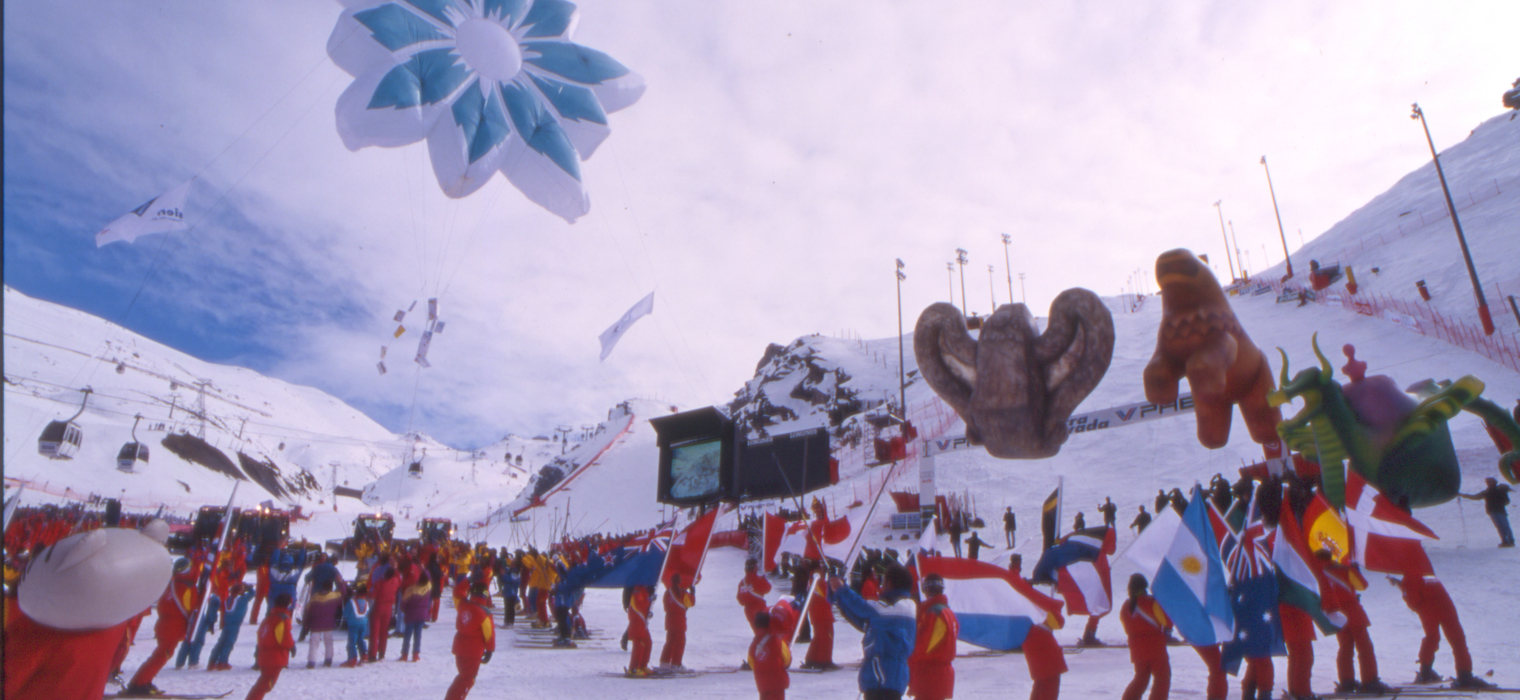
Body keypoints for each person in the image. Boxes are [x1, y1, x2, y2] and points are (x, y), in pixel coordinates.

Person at [829, 564, 915, 700]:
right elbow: (865, 622)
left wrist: (841, 590)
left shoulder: (888, 608)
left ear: (890, 583)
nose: (880, 586)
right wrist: (839, 600)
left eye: (883, 581)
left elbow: (861, 607)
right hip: (894, 677)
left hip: (880, 677)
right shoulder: (909, 608)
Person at [1390, 575, 1492, 689]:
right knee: (1457, 639)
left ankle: (1425, 672)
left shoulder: (1408, 579)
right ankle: (1465, 675)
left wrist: (1401, 587)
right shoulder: (1425, 571)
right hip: (1445, 603)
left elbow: (1414, 603)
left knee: (1432, 637)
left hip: (1429, 606)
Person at [125, 557, 202, 696]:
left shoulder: (171, 584)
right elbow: (190, 607)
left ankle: (142, 681)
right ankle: (139, 683)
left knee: (159, 655)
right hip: (173, 627)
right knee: (161, 656)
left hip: (163, 625)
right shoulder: (187, 586)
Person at [1316, 551, 1387, 694]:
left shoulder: (1315, 573)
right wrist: (1354, 569)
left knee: (1345, 648)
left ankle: (1346, 681)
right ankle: (1370, 680)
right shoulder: (1343, 569)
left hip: (1335, 614)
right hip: (1352, 611)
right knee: (1364, 646)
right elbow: (1362, 585)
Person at [908, 574, 959, 700]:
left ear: (926, 590)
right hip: (943, 674)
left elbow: (923, 648)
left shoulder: (934, 613)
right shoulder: (948, 612)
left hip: (930, 675)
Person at [1120, 574, 1170, 700]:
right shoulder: (1152, 602)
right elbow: (1167, 621)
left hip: (1136, 648)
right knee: (1162, 677)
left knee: (1141, 678)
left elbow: (1127, 627)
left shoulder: (1126, 606)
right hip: (1155, 646)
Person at [444, 582, 495, 700]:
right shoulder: (484, 613)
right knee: (467, 680)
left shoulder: (462, 604)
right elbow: (489, 633)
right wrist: (490, 650)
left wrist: (468, 580)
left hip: (459, 648)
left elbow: (457, 591)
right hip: (473, 651)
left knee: (463, 677)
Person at [245, 592, 295, 700]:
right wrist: (291, 646)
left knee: (263, 683)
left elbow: (260, 634)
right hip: (274, 658)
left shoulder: (268, 618)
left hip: (264, 656)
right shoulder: (283, 619)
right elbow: (284, 638)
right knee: (265, 685)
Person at [207, 582, 256, 671]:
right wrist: (249, 588)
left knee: (220, 643)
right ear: (240, 591)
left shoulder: (227, 600)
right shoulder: (242, 600)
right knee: (228, 644)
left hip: (226, 624)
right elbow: (253, 593)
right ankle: (222, 662)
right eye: (242, 589)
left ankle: (212, 662)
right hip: (235, 625)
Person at [749, 610, 792, 700]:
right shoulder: (777, 641)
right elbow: (787, 659)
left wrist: (762, 667)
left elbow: (751, 661)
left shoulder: (754, 643)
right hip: (777, 682)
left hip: (761, 682)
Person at [800, 571, 839, 670]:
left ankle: (812, 658)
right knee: (827, 637)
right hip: (823, 614)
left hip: (817, 614)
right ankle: (824, 661)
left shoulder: (812, 581)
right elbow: (827, 595)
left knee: (818, 637)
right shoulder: (818, 582)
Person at [1460, 477, 1515, 547]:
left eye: (1490, 482)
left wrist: (1500, 503)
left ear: (1494, 482)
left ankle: (1511, 541)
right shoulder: (1487, 492)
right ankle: (1504, 541)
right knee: (1499, 527)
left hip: (1499, 511)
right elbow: (1475, 497)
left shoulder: (1500, 490)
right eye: (1487, 482)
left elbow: (1507, 501)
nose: (1488, 483)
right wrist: (1462, 495)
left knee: (1505, 526)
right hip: (1492, 511)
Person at [304, 579, 342, 668]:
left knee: (314, 642)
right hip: (328, 624)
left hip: (315, 624)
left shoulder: (314, 597)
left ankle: (311, 662)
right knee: (328, 641)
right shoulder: (334, 596)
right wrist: (340, 582)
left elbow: (307, 611)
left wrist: (306, 624)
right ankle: (328, 660)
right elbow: (343, 592)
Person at [660, 573, 694, 669]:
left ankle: (664, 662)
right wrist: (693, 594)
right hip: (679, 621)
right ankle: (676, 663)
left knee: (670, 642)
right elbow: (691, 603)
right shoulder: (683, 593)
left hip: (670, 621)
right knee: (680, 643)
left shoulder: (667, 593)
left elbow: (666, 607)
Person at [367, 562, 399, 661]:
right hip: (388, 608)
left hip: (378, 607)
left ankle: (372, 654)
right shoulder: (395, 581)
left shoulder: (378, 583)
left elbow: (372, 597)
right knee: (384, 631)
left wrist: (368, 609)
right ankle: (382, 652)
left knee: (374, 632)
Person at [398, 572, 431, 661]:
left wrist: (404, 610)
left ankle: (404, 654)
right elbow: (428, 577)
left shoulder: (410, 590)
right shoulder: (428, 587)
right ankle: (416, 654)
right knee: (418, 634)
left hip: (410, 615)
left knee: (407, 635)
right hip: (422, 615)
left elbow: (403, 604)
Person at [625, 584, 654, 676]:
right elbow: (638, 606)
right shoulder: (636, 592)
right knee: (639, 645)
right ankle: (634, 668)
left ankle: (642, 665)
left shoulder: (644, 591)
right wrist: (649, 601)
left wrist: (648, 611)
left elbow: (643, 608)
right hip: (636, 622)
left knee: (648, 642)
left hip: (641, 622)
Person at [738, 558, 772, 632]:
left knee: (758, 633)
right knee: (765, 632)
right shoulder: (757, 579)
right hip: (759, 610)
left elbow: (739, 599)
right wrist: (764, 579)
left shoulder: (741, 583)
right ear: (755, 567)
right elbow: (768, 588)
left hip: (748, 612)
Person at [340, 583, 370, 667]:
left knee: (352, 642)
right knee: (361, 639)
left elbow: (345, 614)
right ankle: (364, 655)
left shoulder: (351, 602)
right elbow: (367, 613)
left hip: (353, 624)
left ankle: (352, 659)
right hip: (363, 624)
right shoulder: (366, 602)